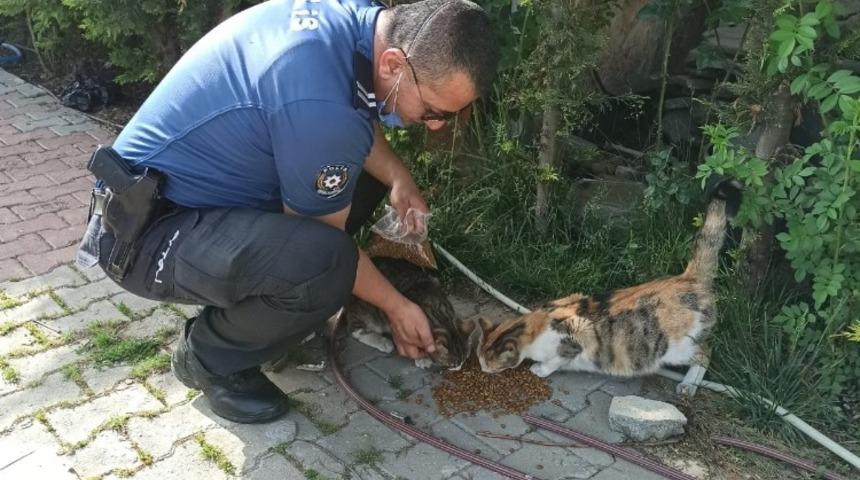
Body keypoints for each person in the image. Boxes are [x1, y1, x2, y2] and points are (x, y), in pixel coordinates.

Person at [75, 0, 498, 424]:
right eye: (434, 112)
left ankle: (273, 310)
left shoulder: (361, 23)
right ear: (393, 64)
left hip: (188, 197)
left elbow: (352, 112)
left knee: (361, 182)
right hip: (143, 234)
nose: (438, 125)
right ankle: (208, 359)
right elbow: (327, 239)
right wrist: (398, 308)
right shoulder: (319, 104)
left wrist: (398, 178)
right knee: (323, 264)